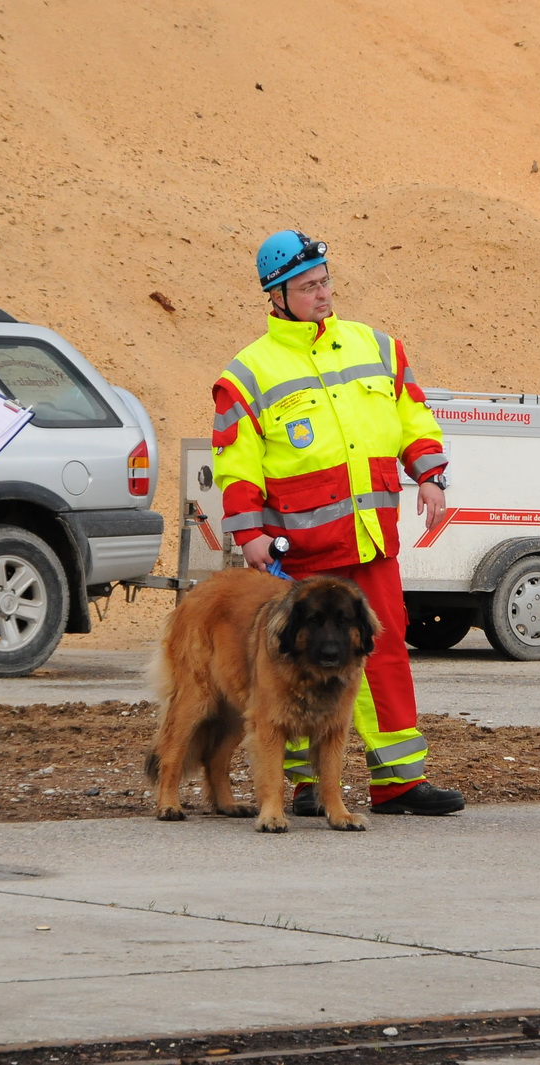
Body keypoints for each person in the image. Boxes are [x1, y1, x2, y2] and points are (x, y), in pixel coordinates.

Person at [211, 230, 466, 817]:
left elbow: (413, 417)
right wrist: (248, 535)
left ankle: (399, 783)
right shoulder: (248, 372)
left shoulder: (377, 347)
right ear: (276, 296)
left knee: (387, 653)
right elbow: (236, 463)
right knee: (294, 661)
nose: (322, 294)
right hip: (299, 549)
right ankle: (302, 787)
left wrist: (429, 474)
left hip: (372, 538)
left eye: (325, 281)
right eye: (307, 287)